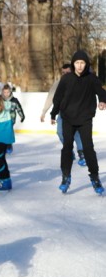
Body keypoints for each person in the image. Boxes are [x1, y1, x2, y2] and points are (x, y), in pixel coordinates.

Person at [49, 50, 106, 194]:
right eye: (77, 63)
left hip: (85, 119)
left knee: (88, 149)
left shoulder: (91, 78)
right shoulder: (66, 79)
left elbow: (101, 91)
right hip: (68, 118)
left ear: (86, 64)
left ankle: (95, 177)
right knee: (67, 147)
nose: (79, 66)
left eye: (82, 63)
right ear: (73, 64)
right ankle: (66, 176)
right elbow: (57, 97)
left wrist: (103, 100)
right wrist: (53, 113)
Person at [41, 63, 86, 167]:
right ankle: (69, 151)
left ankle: (82, 154)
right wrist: (44, 111)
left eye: (67, 72)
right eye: (63, 73)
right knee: (60, 132)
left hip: (77, 113)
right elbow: (51, 98)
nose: (65, 74)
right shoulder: (58, 83)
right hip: (63, 114)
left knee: (76, 133)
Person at [1, 84, 25, 153]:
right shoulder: (0, 100)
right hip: (2, 119)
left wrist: (22, 116)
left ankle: (9, 145)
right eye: (4, 92)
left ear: (10, 92)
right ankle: (3, 145)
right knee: (2, 132)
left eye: (7, 92)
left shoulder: (14, 100)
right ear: (2, 92)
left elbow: (19, 109)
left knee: (8, 132)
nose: (6, 94)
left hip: (11, 119)